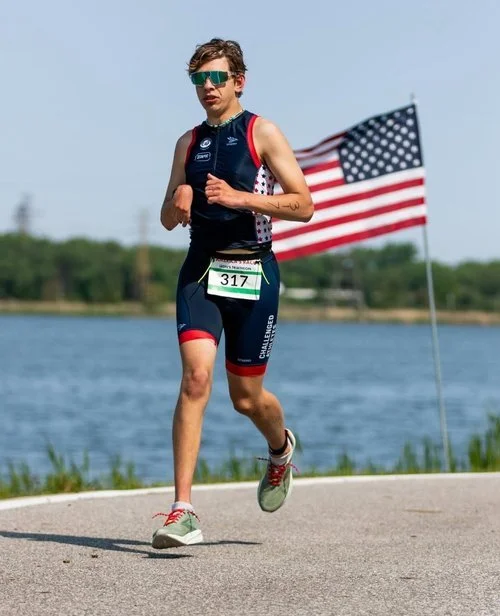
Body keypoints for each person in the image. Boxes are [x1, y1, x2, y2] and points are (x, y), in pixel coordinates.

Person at [152, 38, 313, 549]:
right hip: (201, 271)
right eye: (199, 80)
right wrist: (176, 203)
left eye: (217, 78)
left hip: (254, 273)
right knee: (196, 378)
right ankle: (182, 510)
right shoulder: (187, 142)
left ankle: (280, 448)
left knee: (245, 398)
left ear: (238, 81)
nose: (208, 88)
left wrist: (241, 198)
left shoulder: (261, 131)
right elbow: (166, 217)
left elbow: (304, 204)